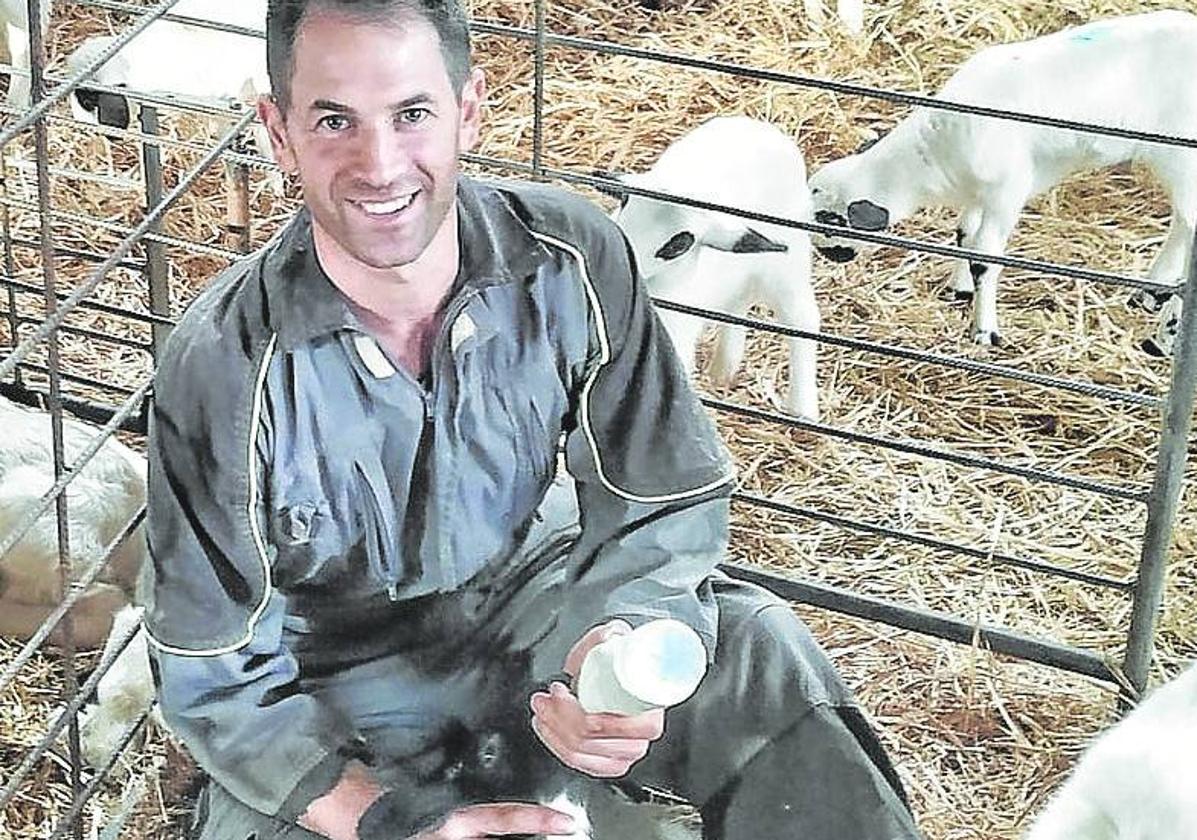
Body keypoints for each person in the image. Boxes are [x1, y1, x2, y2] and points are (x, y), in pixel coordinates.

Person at [142, 1, 924, 838]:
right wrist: (390, 823)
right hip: (336, 684)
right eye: (334, 120)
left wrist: (625, 630)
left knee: (761, 654)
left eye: (412, 115)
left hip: (538, 608)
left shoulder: (571, 258)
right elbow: (213, 670)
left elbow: (660, 493)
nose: (378, 164)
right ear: (278, 131)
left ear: (468, 109)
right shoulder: (222, 365)